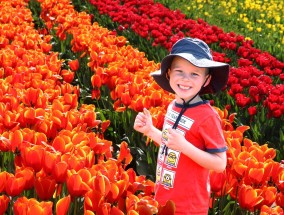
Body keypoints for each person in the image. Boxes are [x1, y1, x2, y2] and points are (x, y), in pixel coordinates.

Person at [133, 37, 229, 214]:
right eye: (180, 71)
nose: (186, 79)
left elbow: (220, 164)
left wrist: (185, 146)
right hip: (164, 197)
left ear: (206, 80)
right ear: (168, 73)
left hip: (189, 206)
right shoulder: (173, 106)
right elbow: (171, 143)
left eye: (195, 74)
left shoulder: (208, 116)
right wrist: (151, 131)